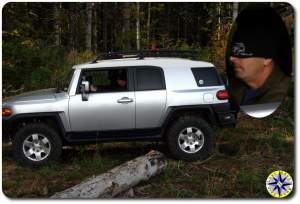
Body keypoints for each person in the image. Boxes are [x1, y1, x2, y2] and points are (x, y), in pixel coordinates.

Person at [226, 6, 292, 106]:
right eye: (234, 52)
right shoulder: (234, 87)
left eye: (242, 52)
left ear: (267, 59)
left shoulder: (282, 98)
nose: (232, 58)